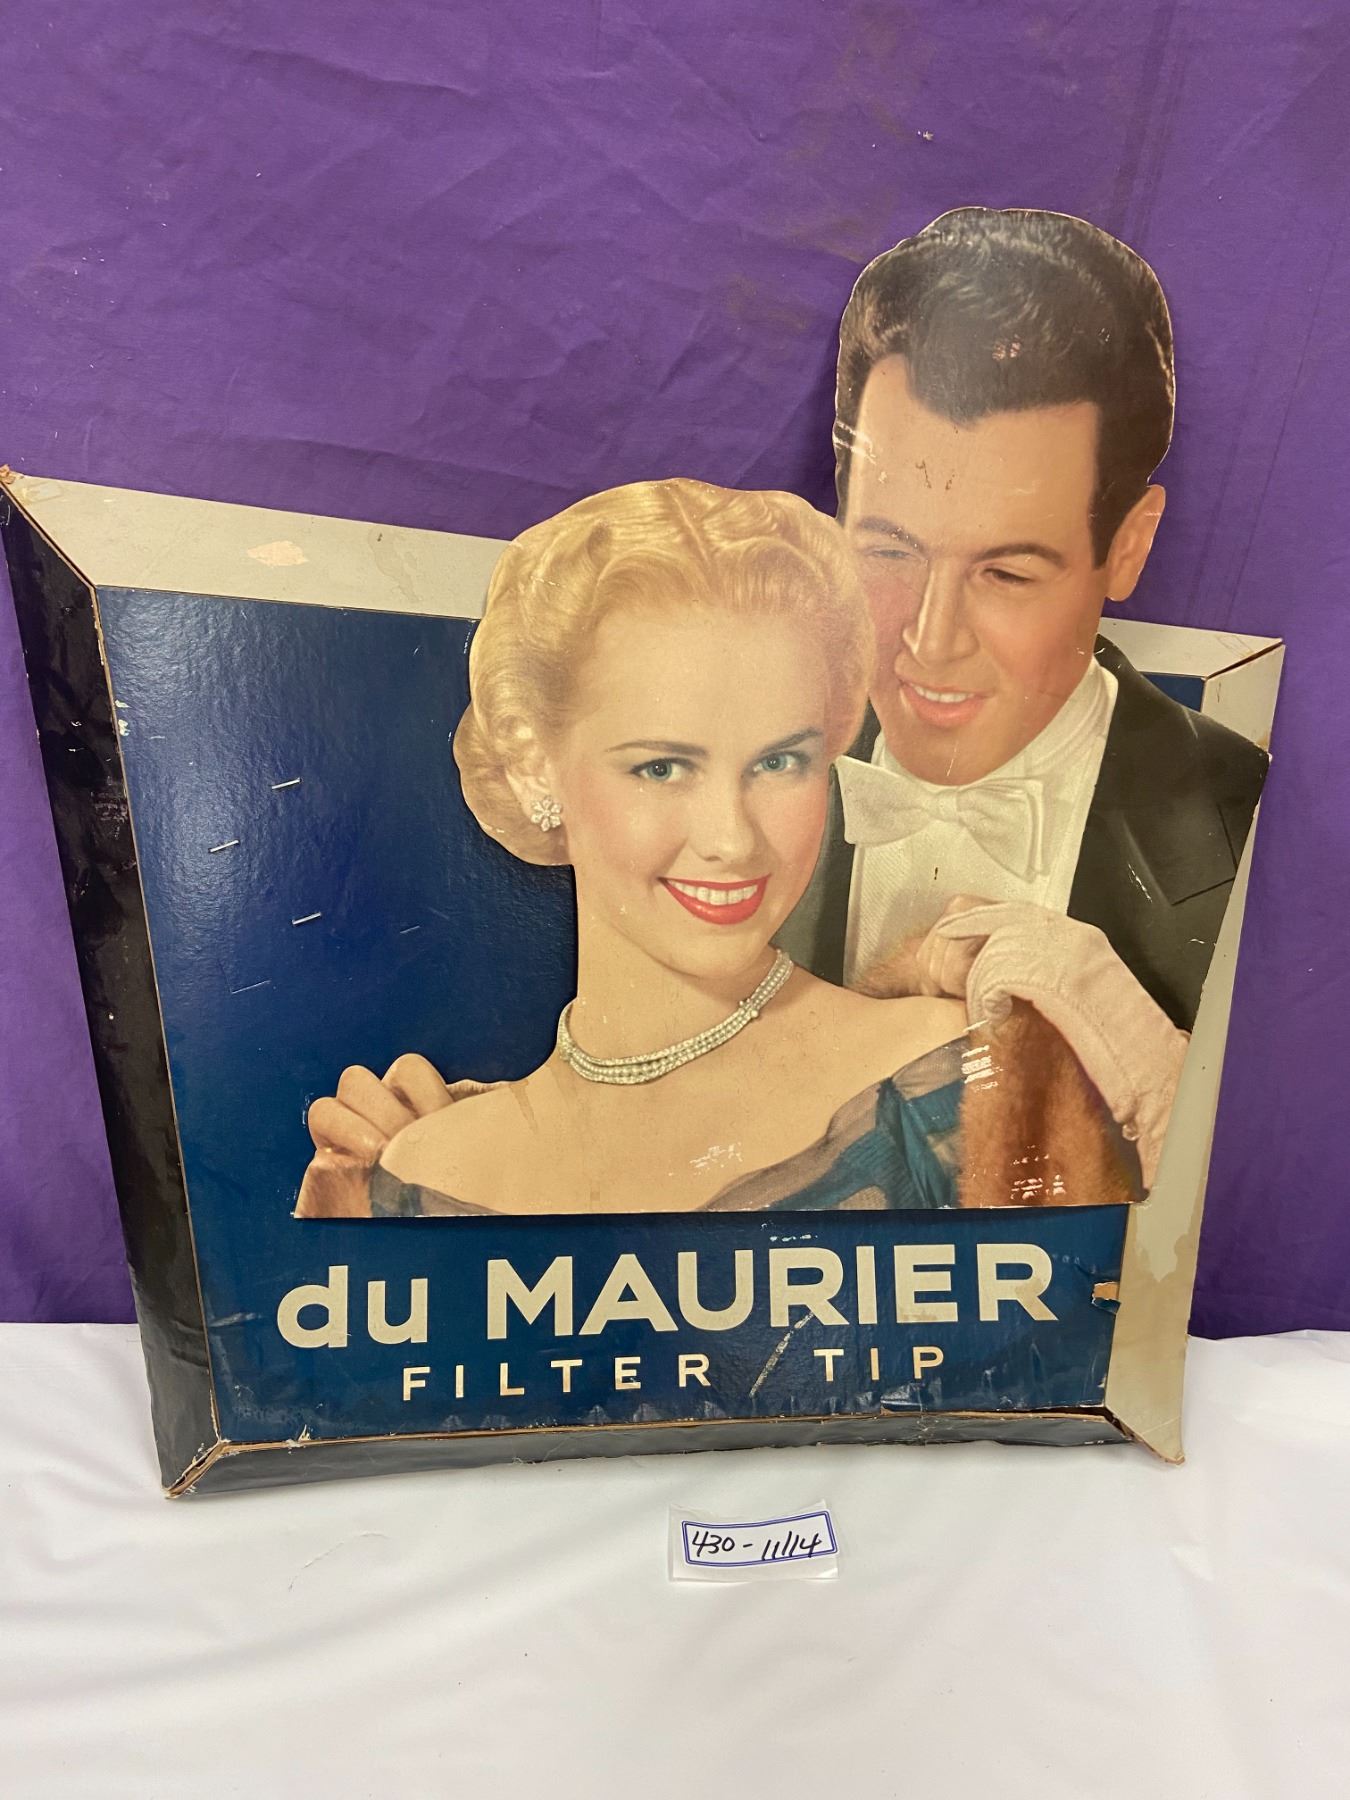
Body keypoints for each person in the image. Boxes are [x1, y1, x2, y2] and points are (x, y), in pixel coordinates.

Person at [294, 480, 1182, 1220]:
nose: (731, 838)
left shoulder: (957, 1079)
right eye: (662, 767)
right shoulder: (422, 1172)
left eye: (780, 762)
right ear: (535, 764)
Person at [776, 207, 1269, 1032]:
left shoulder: (1253, 821)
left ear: (1129, 547)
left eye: (1005, 574)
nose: (929, 641)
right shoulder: (739, 757)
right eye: (890, 551)